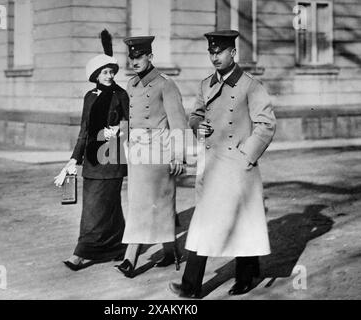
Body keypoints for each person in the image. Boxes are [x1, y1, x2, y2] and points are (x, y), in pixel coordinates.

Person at [169, 30, 277, 297]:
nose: (215, 57)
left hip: (238, 167)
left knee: (241, 222)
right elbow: (194, 116)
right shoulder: (205, 84)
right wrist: (198, 126)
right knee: (204, 223)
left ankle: (243, 277)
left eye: (220, 52)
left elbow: (266, 124)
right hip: (213, 165)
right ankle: (193, 285)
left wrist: (247, 156)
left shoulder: (251, 85)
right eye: (211, 52)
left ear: (233, 53)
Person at [54, 30, 129, 271]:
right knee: (108, 207)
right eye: (104, 72)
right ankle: (118, 247)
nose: (109, 76)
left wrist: (118, 130)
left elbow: (134, 122)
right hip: (92, 162)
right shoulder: (89, 97)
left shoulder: (121, 95)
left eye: (111, 72)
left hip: (113, 159)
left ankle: (81, 253)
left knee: (97, 208)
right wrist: (72, 160)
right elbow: (84, 130)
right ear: (96, 75)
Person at [114, 36, 188, 278]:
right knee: (145, 203)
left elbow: (178, 121)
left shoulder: (166, 84)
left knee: (155, 204)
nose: (134, 61)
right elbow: (128, 118)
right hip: (137, 151)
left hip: (159, 150)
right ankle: (171, 252)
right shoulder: (131, 85)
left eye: (139, 56)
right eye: (131, 57)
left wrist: (178, 155)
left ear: (150, 57)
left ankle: (130, 259)